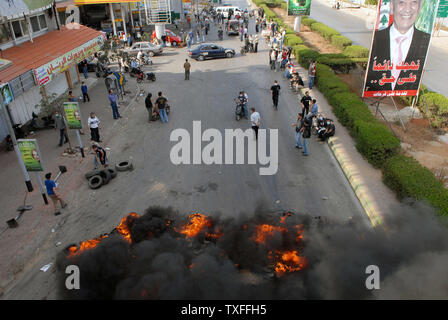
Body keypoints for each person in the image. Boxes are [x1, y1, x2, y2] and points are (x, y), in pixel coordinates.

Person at [363, 0, 430, 95]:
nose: (408, 9)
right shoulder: (378, 38)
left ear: (419, 7)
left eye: (414, 2)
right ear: (391, 6)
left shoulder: (425, 40)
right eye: (402, 2)